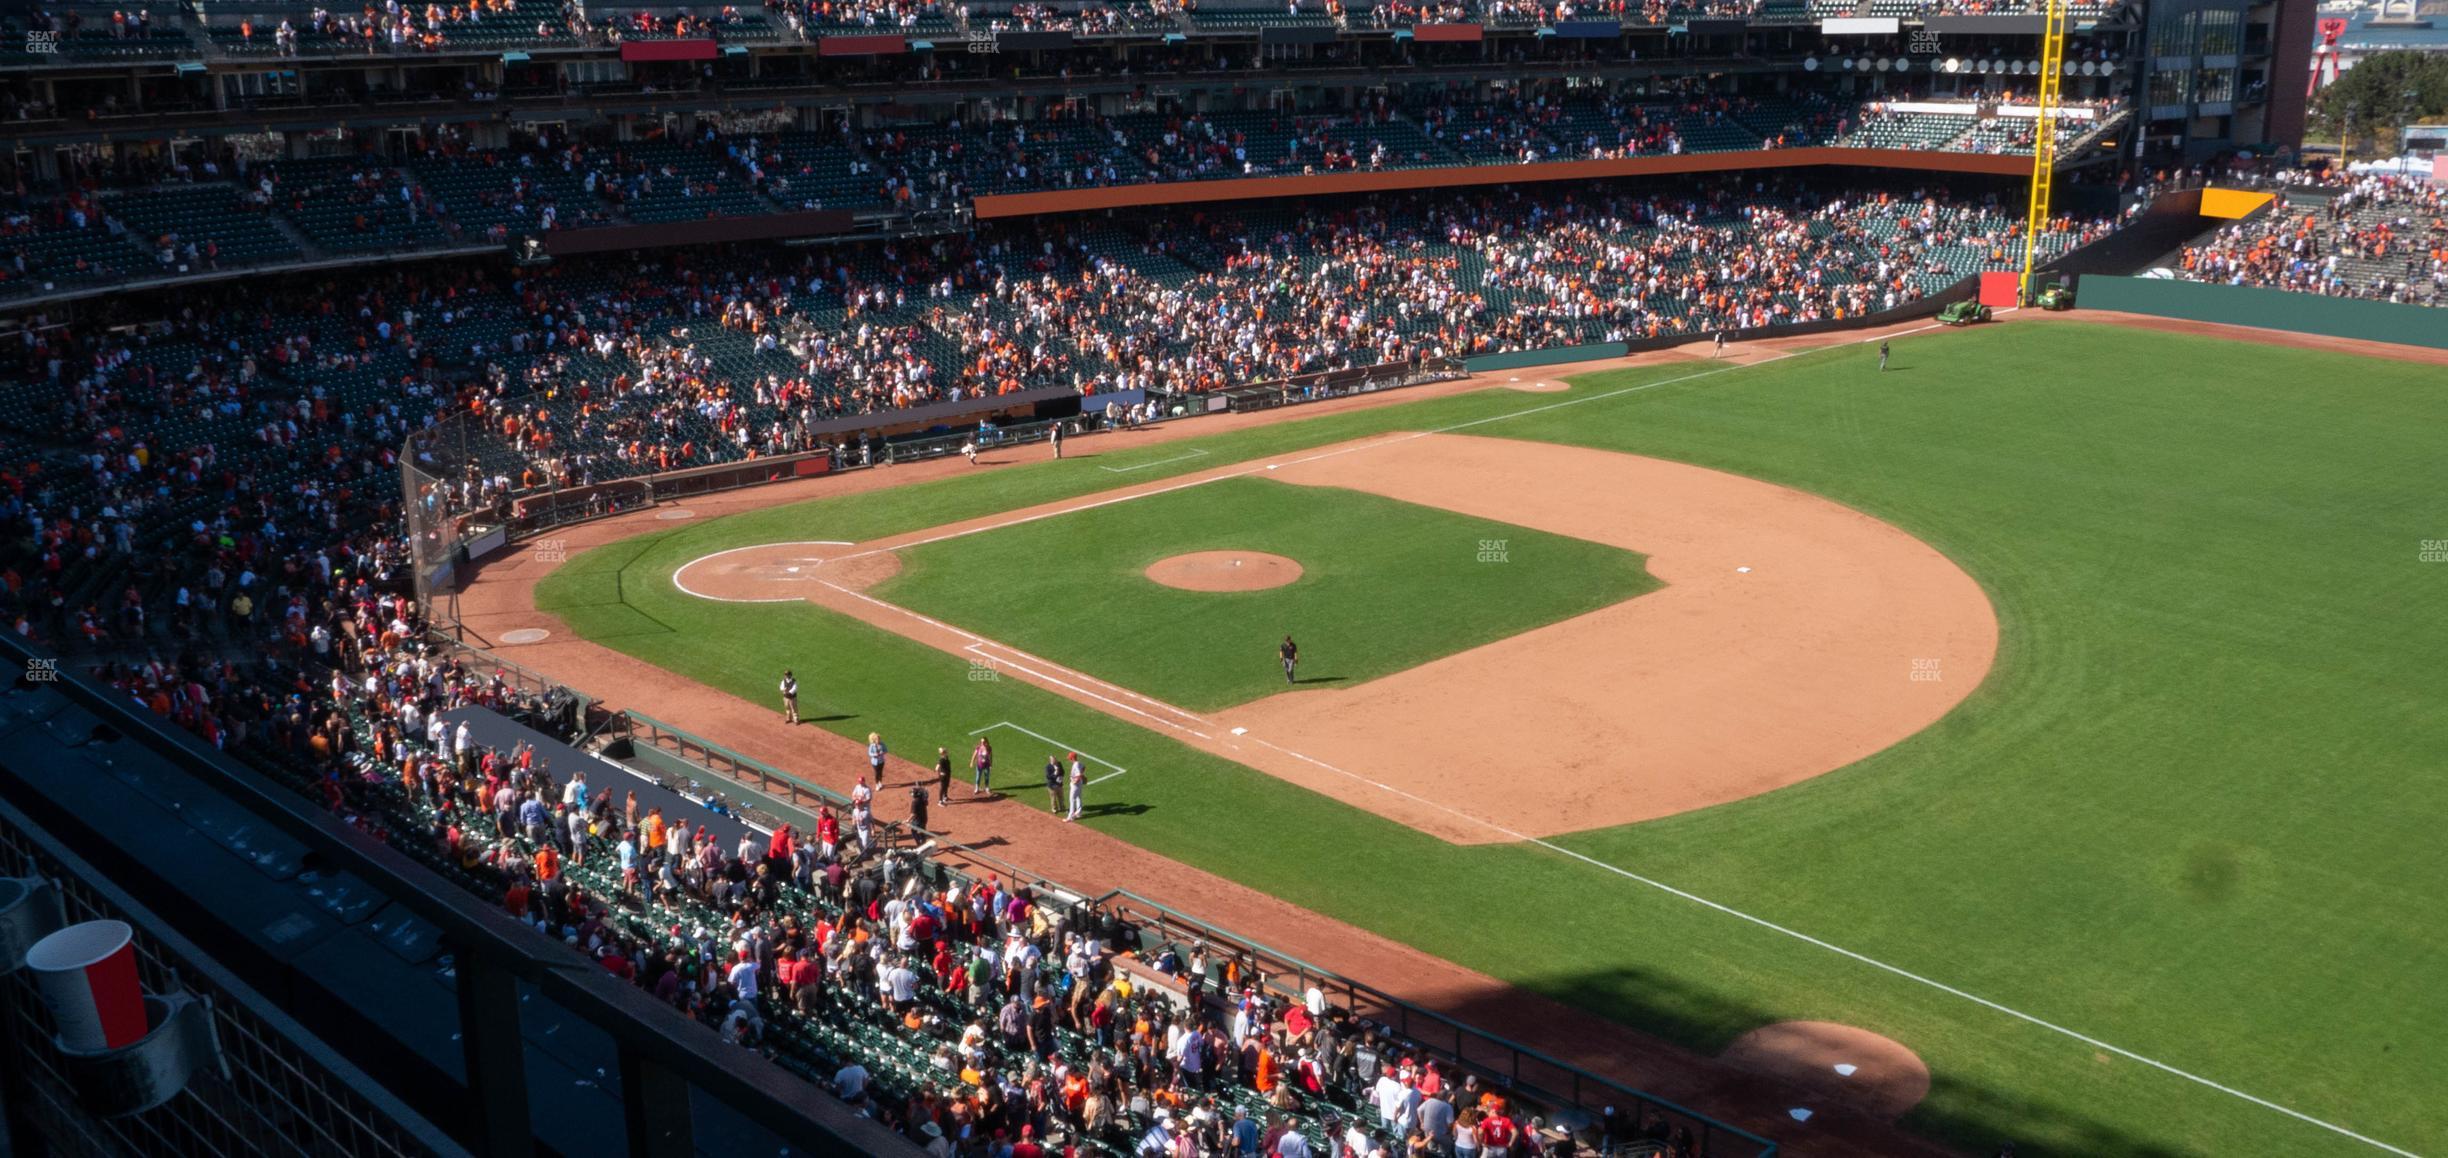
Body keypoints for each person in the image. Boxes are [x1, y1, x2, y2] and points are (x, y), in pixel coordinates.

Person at [1065, 753, 1085, 822]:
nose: (1069, 759)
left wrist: (1075, 781)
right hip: (1079, 784)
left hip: (1075, 785)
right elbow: (1083, 767)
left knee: (1072, 800)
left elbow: (1079, 775)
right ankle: (1079, 813)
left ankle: (1070, 817)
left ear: (1072, 758)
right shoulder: (1078, 763)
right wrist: (1082, 775)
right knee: (1078, 798)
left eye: (1069, 758)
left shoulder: (1076, 765)